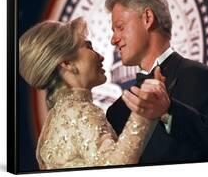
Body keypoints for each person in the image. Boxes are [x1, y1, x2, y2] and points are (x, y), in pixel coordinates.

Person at [105, 0, 208, 164]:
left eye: (120, 27)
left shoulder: (196, 75)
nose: (114, 39)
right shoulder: (117, 111)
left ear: (147, 18)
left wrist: (168, 112)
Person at [19, 17, 159, 169]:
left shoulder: (54, 121)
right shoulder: (81, 112)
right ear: (67, 63)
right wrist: (143, 112)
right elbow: (112, 166)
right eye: (89, 47)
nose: (101, 56)